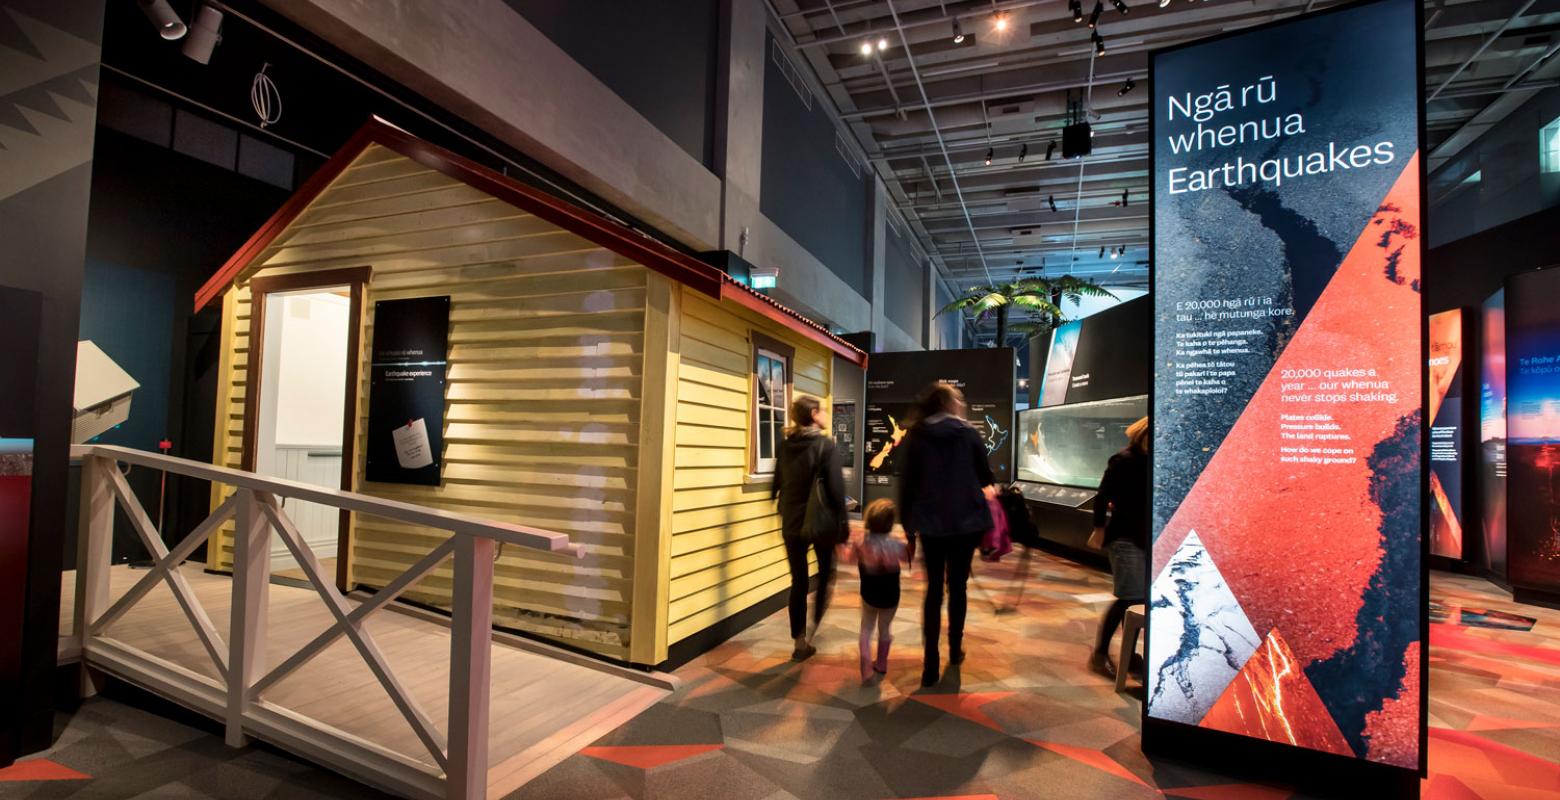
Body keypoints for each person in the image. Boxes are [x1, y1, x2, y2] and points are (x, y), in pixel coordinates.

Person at [898, 383, 996, 687]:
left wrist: (908, 528)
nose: (962, 403)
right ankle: (954, 650)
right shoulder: (968, 434)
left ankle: (930, 663)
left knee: (933, 592)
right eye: (959, 399)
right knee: (958, 587)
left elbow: (907, 485)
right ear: (949, 403)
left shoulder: (916, 435)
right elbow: (985, 477)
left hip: (931, 524)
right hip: (965, 524)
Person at [771, 395, 847, 660]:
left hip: (791, 520)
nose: (827, 415)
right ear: (814, 414)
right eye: (823, 411)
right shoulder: (825, 445)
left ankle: (800, 642)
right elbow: (837, 489)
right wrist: (844, 522)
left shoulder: (785, 444)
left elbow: (777, 482)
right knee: (826, 573)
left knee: (798, 581)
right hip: (821, 521)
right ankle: (814, 626)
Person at [1087, 416, 1151, 680]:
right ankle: (1100, 653)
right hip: (1124, 539)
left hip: (1145, 538)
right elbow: (1102, 496)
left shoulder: (1152, 460)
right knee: (1129, 597)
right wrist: (1099, 528)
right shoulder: (1123, 460)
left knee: (1137, 599)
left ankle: (1129, 655)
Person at [855, 499, 907, 684]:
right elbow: (908, 555)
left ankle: (866, 669)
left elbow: (847, 555)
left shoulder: (862, 542)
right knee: (885, 629)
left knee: (866, 629)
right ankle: (882, 663)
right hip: (891, 595)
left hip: (869, 593)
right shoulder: (896, 544)